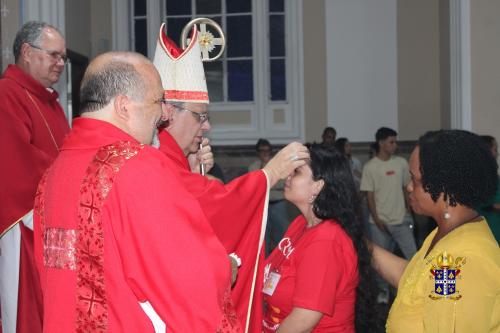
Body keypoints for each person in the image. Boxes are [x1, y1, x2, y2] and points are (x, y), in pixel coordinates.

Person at [34, 51, 251, 332]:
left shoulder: (54, 172)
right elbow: (187, 276)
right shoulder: (137, 164)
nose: (163, 114)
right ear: (124, 106)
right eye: (157, 102)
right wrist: (225, 266)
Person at [152, 23, 309, 332]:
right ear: (169, 112)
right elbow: (212, 205)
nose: (206, 126)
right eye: (200, 116)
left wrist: (194, 167)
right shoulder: (159, 159)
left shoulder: (170, 156)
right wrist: (270, 173)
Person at [372, 130, 500, 332]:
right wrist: (360, 243)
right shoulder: (447, 233)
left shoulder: (461, 259)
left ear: (443, 186)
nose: (409, 188)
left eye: (415, 180)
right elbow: (414, 281)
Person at [261, 144, 379, 332]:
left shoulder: (326, 240)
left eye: (297, 172)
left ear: (318, 185)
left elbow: (303, 321)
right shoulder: (299, 225)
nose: (287, 176)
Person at [0, 21, 69, 333]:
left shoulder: (50, 102)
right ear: (26, 52)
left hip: (55, 224)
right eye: (54, 55)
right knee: (27, 310)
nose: (60, 64)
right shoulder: (7, 94)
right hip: (24, 222)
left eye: (63, 58)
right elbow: (14, 160)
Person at [360, 127, 417, 304]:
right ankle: (383, 292)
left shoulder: (401, 163)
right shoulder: (370, 167)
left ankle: (414, 289)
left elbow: (407, 188)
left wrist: (410, 209)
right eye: (391, 142)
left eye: (395, 141)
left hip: (401, 220)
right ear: (381, 143)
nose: (395, 145)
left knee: (413, 257)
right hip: (379, 223)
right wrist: (376, 219)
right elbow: (369, 196)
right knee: (379, 263)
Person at [249, 139, 289, 256]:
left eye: (268, 151)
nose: (265, 153)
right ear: (258, 152)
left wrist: (267, 181)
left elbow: (282, 184)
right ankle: (264, 261)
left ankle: (282, 259)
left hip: (278, 202)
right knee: (262, 236)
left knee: (281, 234)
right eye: (262, 151)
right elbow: (255, 185)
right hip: (262, 204)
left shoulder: (278, 165)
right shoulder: (253, 167)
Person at [477, 135, 500, 243]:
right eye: (495, 149)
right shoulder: (479, 176)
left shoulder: (494, 175)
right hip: (488, 231)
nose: (497, 153)